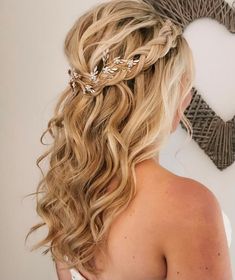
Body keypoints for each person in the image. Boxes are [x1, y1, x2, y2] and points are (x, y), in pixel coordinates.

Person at [25, 0, 233, 279]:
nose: (187, 99)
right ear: (162, 95)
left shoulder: (69, 192)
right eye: (185, 85)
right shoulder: (189, 206)